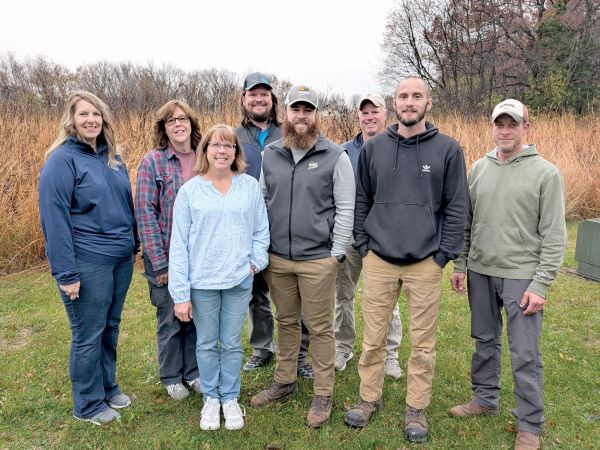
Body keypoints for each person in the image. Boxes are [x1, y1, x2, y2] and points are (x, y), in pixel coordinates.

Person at [344, 77, 468, 443]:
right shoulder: (374, 148)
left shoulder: (448, 149)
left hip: (425, 261)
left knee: (423, 343)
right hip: (379, 258)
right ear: (394, 103)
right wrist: (364, 245)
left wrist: (443, 255)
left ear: (428, 102)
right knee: (373, 338)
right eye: (403, 96)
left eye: (416, 96)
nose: (409, 102)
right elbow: (362, 199)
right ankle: (369, 398)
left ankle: (416, 407)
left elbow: (457, 205)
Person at [449, 99, 566, 450]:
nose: (505, 130)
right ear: (492, 126)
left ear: (525, 127)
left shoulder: (546, 173)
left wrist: (540, 284)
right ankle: (485, 398)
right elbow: (467, 223)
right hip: (481, 270)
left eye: (512, 123)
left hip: (521, 275)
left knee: (524, 352)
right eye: (499, 123)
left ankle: (529, 423)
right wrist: (461, 264)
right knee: (484, 339)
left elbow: (554, 235)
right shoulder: (478, 169)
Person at [250, 85, 355, 428]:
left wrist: (336, 254)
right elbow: (261, 200)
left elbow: (346, 207)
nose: (301, 116)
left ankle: (323, 393)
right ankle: (285, 381)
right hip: (278, 259)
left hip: (318, 260)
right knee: (286, 321)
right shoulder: (271, 154)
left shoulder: (335, 156)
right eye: (296, 109)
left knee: (321, 328)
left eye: (308, 110)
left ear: (316, 115)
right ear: (287, 113)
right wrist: (262, 248)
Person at [38, 91, 138, 425]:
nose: (91, 120)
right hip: (88, 260)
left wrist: (134, 243)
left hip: (120, 259)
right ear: (72, 119)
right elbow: (54, 219)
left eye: (96, 114)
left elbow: (124, 204)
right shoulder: (61, 160)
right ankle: (88, 403)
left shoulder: (113, 157)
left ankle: (108, 387)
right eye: (83, 114)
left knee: (110, 327)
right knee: (88, 332)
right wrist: (66, 273)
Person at [168, 125, 269, 431]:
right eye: (215, 145)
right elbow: (179, 245)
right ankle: (211, 398)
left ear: (236, 152)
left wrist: (255, 263)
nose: (222, 151)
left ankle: (231, 397)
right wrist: (181, 294)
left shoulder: (248, 187)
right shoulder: (191, 191)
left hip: (238, 280)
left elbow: (260, 230)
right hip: (203, 283)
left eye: (228, 146)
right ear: (205, 151)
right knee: (207, 343)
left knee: (232, 343)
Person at [236, 72, 312, 379]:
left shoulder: (290, 131)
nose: (259, 99)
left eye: (264, 94)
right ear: (244, 99)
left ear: (272, 99)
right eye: (253, 94)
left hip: (285, 225)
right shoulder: (233, 137)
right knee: (256, 293)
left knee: (295, 295)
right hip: (248, 228)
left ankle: (300, 354)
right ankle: (262, 348)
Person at [135, 100, 201, 400]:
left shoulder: (204, 157)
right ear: (163, 127)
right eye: (171, 120)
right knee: (171, 317)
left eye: (183, 119)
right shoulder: (153, 162)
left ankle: (193, 372)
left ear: (191, 123)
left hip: (198, 255)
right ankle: (172, 375)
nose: (178, 124)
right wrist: (160, 263)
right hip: (166, 255)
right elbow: (145, 213)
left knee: (195, 315)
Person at [334, 93, 403, 378]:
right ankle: (343, 347)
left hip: (384, 236)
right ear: (358, 117)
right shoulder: (343, 152)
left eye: (375, 111)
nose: (370, 117)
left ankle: (390, 353)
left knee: (387, 299)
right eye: (365, 112)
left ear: (386, 114)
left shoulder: (399, 148)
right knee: (343, 295)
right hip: (350, 235)